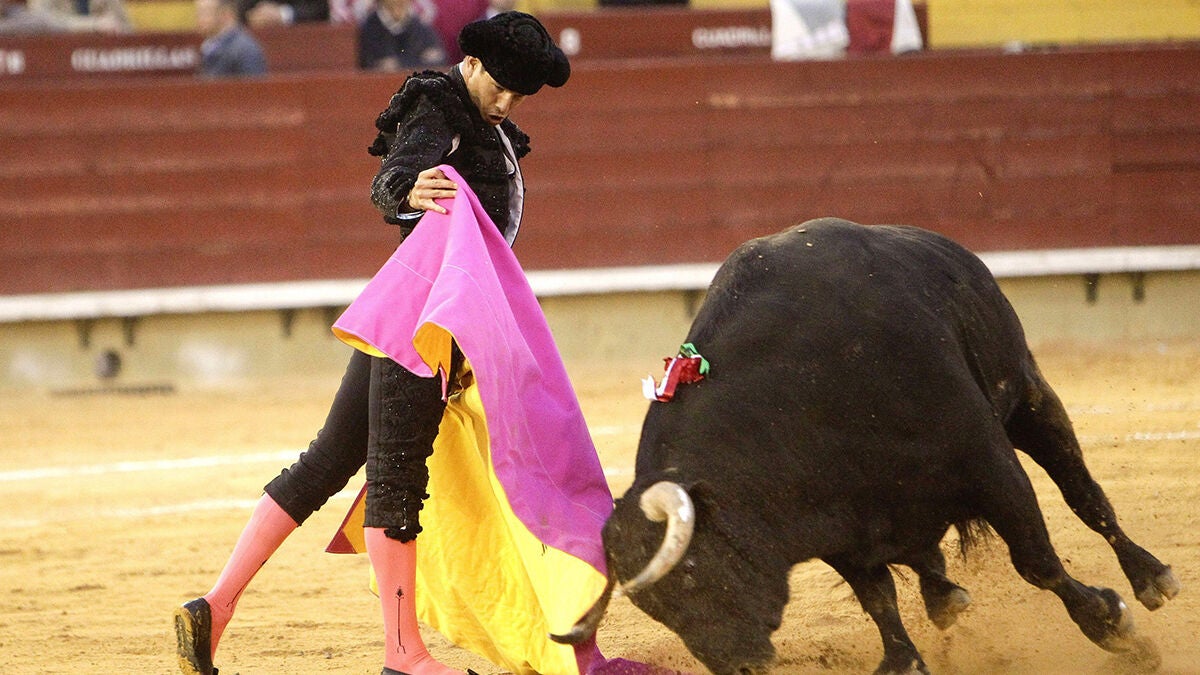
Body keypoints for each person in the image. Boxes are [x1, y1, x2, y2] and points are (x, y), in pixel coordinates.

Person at [174, 11, 571, 675]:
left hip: (419, 316)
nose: (506, 102)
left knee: (327, 461)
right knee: (397, 477)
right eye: (499, 86)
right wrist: (406, 187)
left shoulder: (488, 126)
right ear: (472, 63)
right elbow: (394, 177)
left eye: (518, 94)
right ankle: (403, 654)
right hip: (423, 324)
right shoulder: (441, 105)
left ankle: (215, 606)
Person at [357, 0, 446, 71]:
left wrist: (399, 64)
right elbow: (369, 65)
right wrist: (420, 60)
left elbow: (439, 59)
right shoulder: (371, 29)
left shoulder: (420, 27)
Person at [196, 0, 267, 78]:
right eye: (198, 13)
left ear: (225, 14)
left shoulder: (245, 50)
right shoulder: (209, 46)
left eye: (205, 12)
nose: (199, 19)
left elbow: (254, 84)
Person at [1, 0, 130, 33]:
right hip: (58, 59)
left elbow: (127, 28)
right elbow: (41, 19)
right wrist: (93, 25)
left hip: (101, 59)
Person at [236, 0, 326, 30]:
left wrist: (282, 14)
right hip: (262, 39)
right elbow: (242, 8)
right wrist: (254, 14)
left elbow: (320, 10)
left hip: (305, 40)